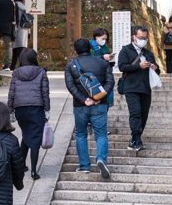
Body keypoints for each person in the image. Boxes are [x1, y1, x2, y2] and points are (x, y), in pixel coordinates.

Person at [65, 38, 115, 177]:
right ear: (90, 49)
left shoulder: (71, 65)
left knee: (81, 134)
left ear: (75, 51)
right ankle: (101, 159)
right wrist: (99, 97)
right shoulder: (103, 63)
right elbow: (110, 81)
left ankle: (84, 166)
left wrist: (84, 99)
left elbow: (71, 86)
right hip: (100, 104)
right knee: (101, 134)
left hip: (81, 105)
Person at [7, 49, 50, 180]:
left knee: (26, 134)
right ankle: (33, 171)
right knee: (35, 137)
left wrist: (10, 110)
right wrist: (47, 110)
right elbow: (45, 92)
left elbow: (12, 92)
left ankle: (21, 165)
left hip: (20, 109)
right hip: (36, 108)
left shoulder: (16, 73)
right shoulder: (41, 72)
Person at [117, 26, 160, 151]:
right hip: (131, 87)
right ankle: (136, 138)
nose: (143, 40)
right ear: (134, 37)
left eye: (145, 38)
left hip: (146, 87)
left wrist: (154, 67)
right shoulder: (126, 50)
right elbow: (122, 67)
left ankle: (136, 138)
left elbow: (158, 70)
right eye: (141, 38)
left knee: (144, 114)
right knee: (135, 113)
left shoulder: (148, 53)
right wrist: (138, 66)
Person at [11, 0, 29, 69]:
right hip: (24, 28)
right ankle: (13, 65)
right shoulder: (24, 6)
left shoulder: (15, 5)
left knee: (18, 49)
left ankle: (23, 65)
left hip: (17, 28)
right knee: (17, 48)